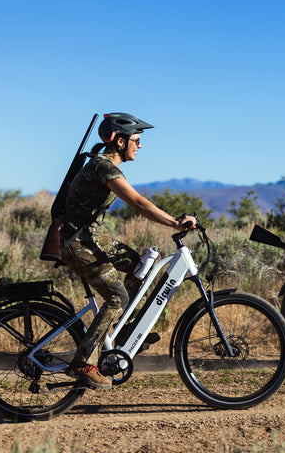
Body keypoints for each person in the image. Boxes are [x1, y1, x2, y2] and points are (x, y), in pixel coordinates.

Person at [60, 112, 197, 389]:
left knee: (138, 264)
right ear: (120, 141)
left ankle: (129, 331)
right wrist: (173, 222)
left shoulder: (104, 164)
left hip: (92, 238)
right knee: (117, 297)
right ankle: (82, 362)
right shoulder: (103, 166)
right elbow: (137, 202)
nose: (140, 145)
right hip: (79, 243)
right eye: (136, 140)